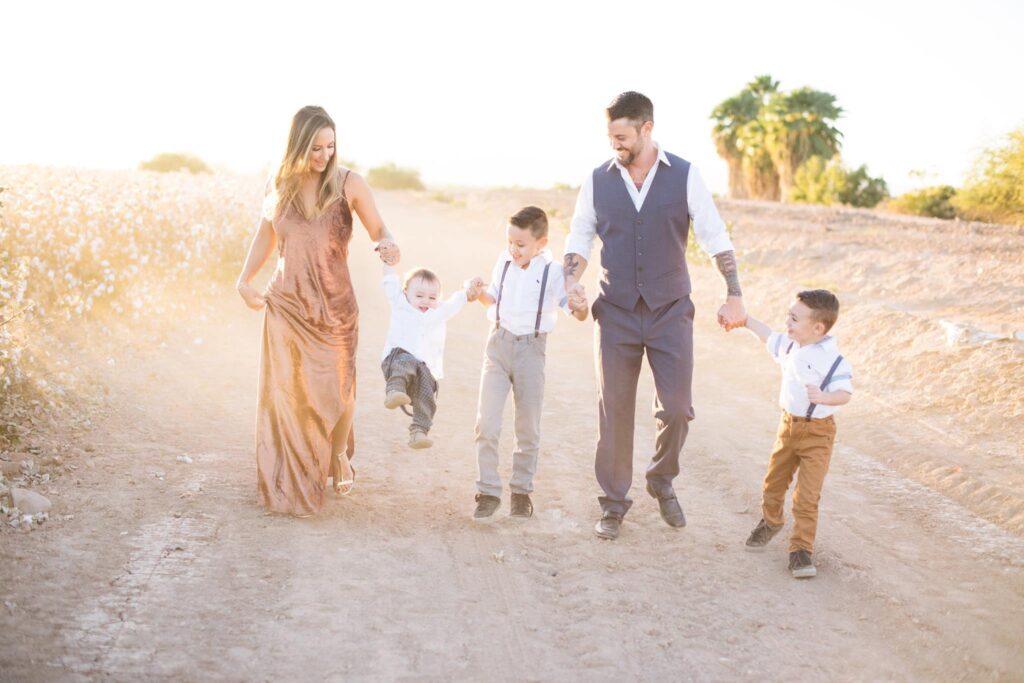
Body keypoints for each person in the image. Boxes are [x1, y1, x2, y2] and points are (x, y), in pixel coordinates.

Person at [563, 91, 748, 540]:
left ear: (647, 129)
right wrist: (571, 283)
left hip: (670, 311)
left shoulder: (684, 175)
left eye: (622, 136)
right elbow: (580, 236)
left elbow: (713, 234)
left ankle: (661, 476)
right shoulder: (597, 180)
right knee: (615, 413)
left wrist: (734, 294)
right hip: (616, 313)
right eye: (610, 136)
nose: (615, 145)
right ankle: (612, 505)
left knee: (679, 410)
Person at [236, 105, 400, 516]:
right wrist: (243, 279)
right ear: (297, 145)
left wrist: (387, 244)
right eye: (315, 148)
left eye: (330, 146)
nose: (324, 155)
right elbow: (265, 237)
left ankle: (338, 453)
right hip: (287, 305)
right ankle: (292, 472)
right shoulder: (281, 185)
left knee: (340, 388)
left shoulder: (350, 184)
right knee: (289, 394)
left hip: (335, 307)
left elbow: (378, 228)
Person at [470, 207, 589, 522]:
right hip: (497, 345)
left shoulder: (553, 272)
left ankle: (521, 492)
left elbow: (572, 310)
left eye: (521, 244)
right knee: (487, 423)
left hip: (531, 350)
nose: (513, 249)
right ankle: (487, 491)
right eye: (510, 241)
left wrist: (580, 307)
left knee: (527, 427)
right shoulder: (504, 261)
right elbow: (492, 297)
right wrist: (478, 292)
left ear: (542, 243)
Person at [739, 290, 853, 578]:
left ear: (818, 328)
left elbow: (845, 393)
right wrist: (744, 320)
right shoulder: (791, 346)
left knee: (807, 496)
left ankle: (801, 550)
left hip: (818, 433)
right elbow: (768, 336)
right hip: (787, 427)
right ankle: (772, 521)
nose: (787, 323)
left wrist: (825, 397)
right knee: (772, 484)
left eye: (794, 318)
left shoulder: (834, 360)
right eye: (789, 316)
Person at [380, 264, 484, 449]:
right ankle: (394, 391)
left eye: (432, 297)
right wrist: (388, 262)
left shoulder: (438, 312)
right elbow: (390, 282)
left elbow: (456, 301)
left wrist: (470, 289)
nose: (425, 301)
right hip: (396, 359)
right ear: (405, 293)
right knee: (406, 360)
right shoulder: (400, 303)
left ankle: (419, 431)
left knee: (427, 394)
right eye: (419, 296)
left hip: (423, 368)